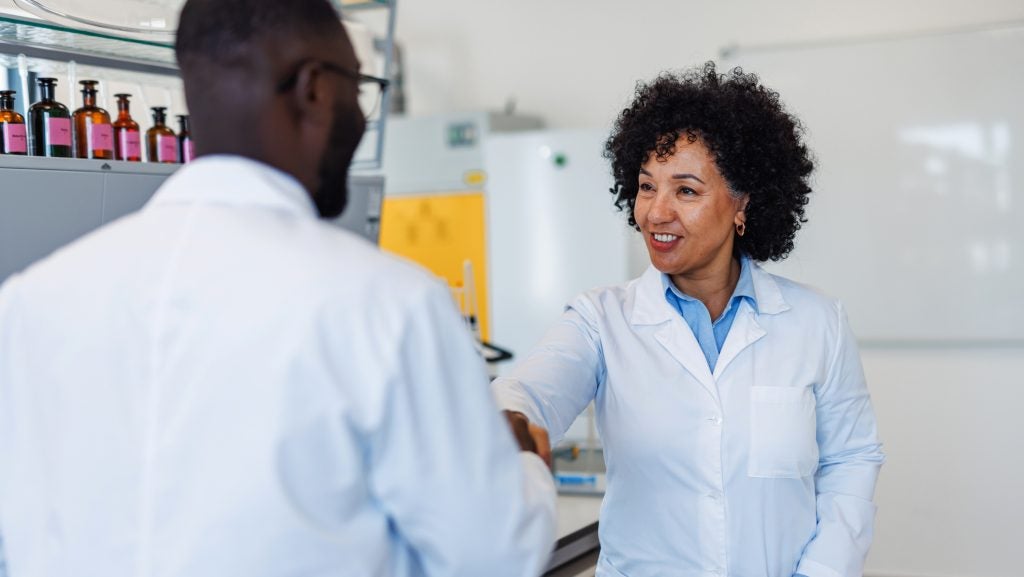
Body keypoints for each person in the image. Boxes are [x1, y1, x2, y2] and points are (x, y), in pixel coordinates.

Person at [0, 1, 555, 576]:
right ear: (315, 90)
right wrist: (520, 464)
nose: (360, 118)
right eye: (358, 91)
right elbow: (496, 556)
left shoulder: (30, 301)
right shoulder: (388, 304)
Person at [493, 62, 885, 577]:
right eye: (646, 186)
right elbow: (530, 393)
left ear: (742, 204)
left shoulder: (817, 322)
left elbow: (850, 460)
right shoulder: (601, 320)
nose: (656, 212)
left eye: (686, 191)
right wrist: (508, 417)